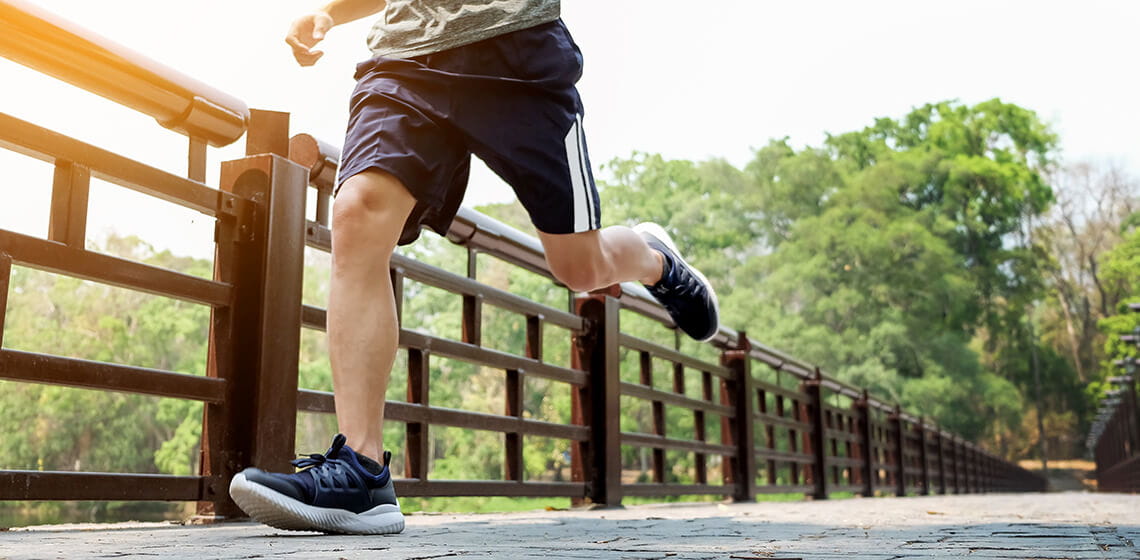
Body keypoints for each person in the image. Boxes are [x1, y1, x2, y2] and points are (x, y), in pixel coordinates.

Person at [228, 0, 719, 535]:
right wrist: (331, 13)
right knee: (356, 212)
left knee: (579, 267)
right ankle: (363, 473)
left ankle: (654, 260)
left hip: (516, 47)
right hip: (405, 55)